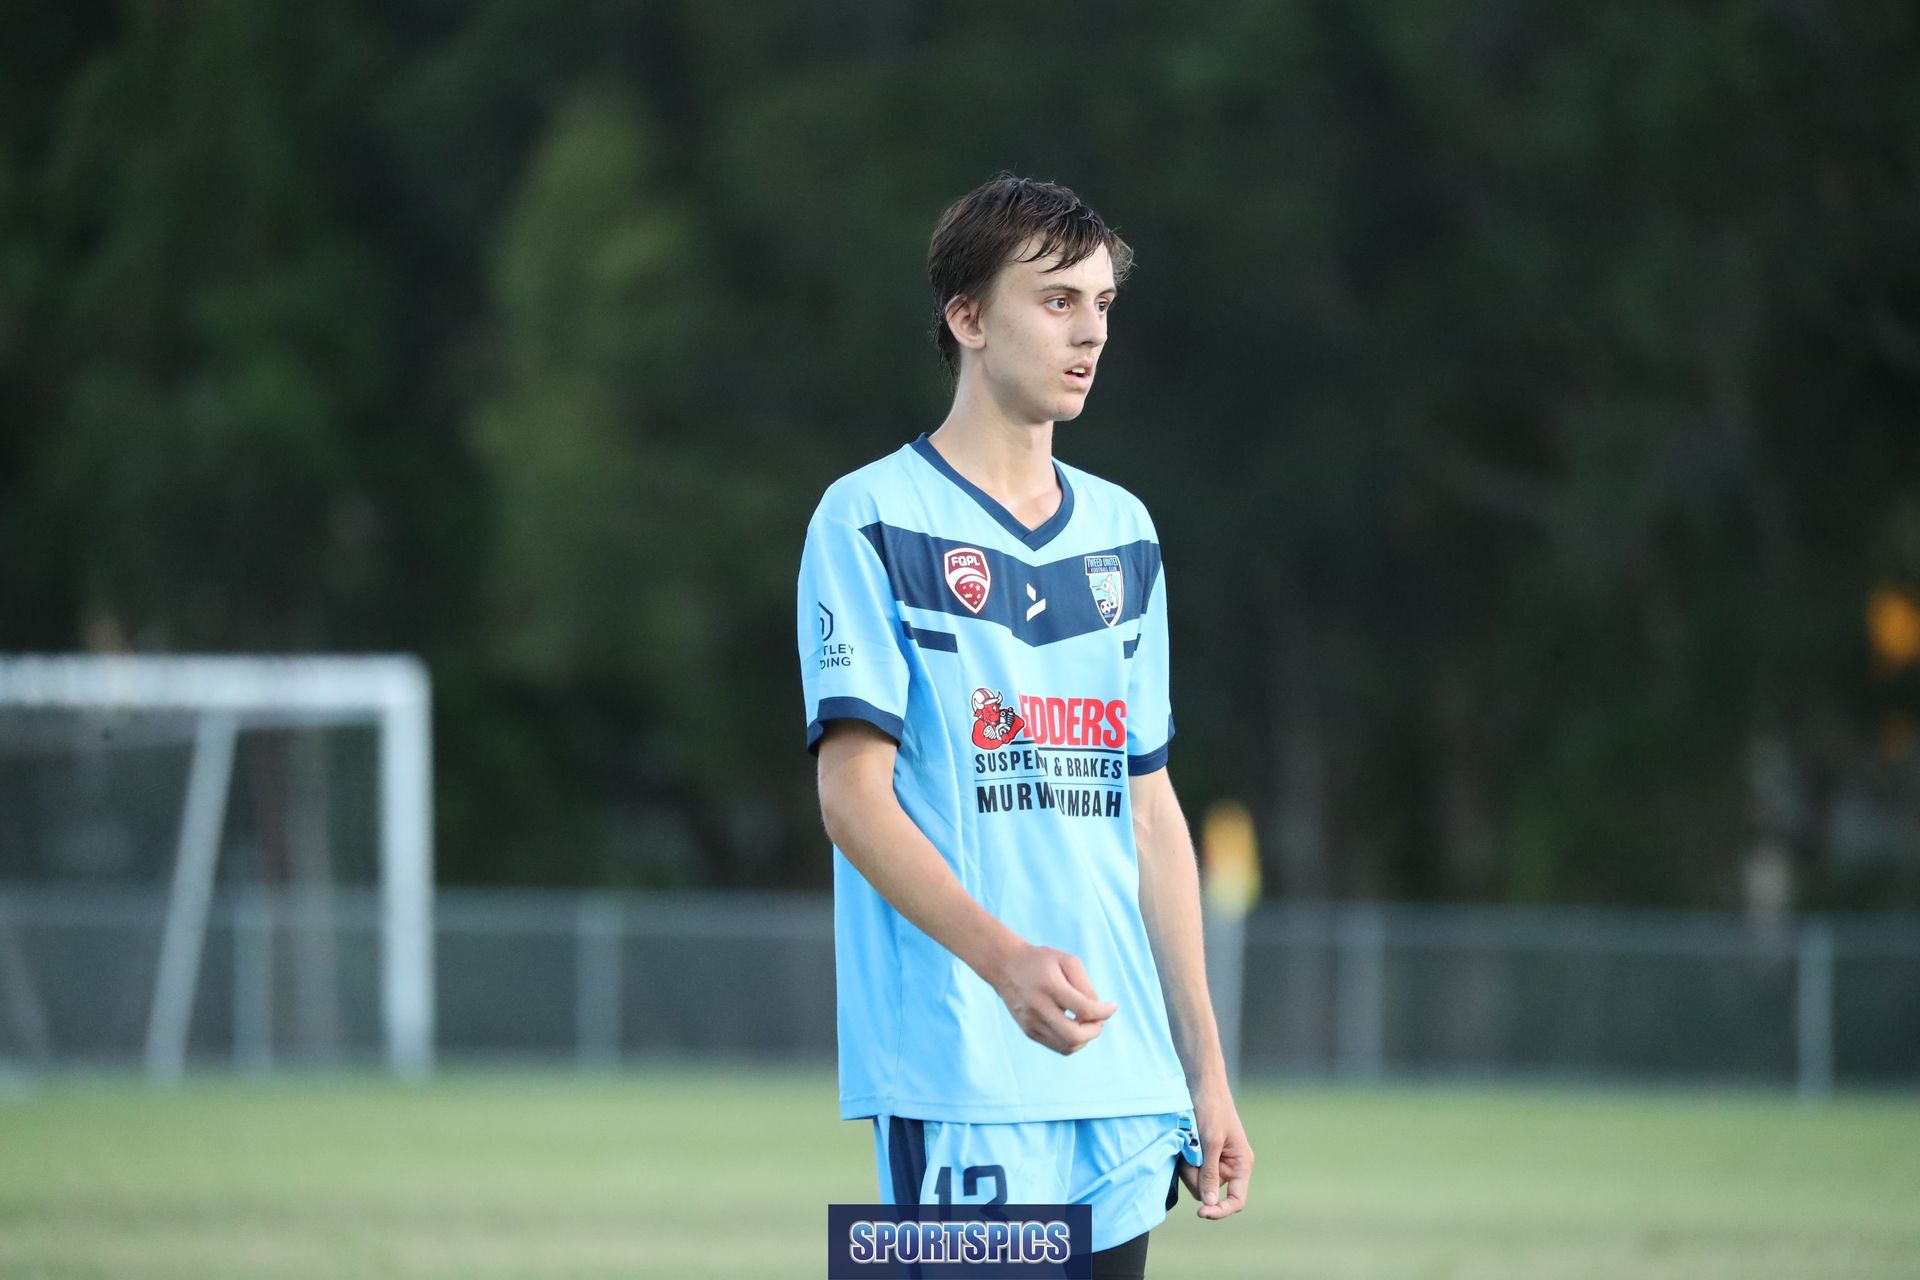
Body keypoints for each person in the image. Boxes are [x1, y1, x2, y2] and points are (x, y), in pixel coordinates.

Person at [797, 173, 1253, 1278]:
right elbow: (851, 797)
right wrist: (1004, 961)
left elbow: (1148, 810)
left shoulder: (1126, 534)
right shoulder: (868, 517)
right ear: (966, 317)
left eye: (1101, 304)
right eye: (1057, 300)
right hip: (961, 1066)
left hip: (1124, 1076)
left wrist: (1206, 1069)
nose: (1091, 330)